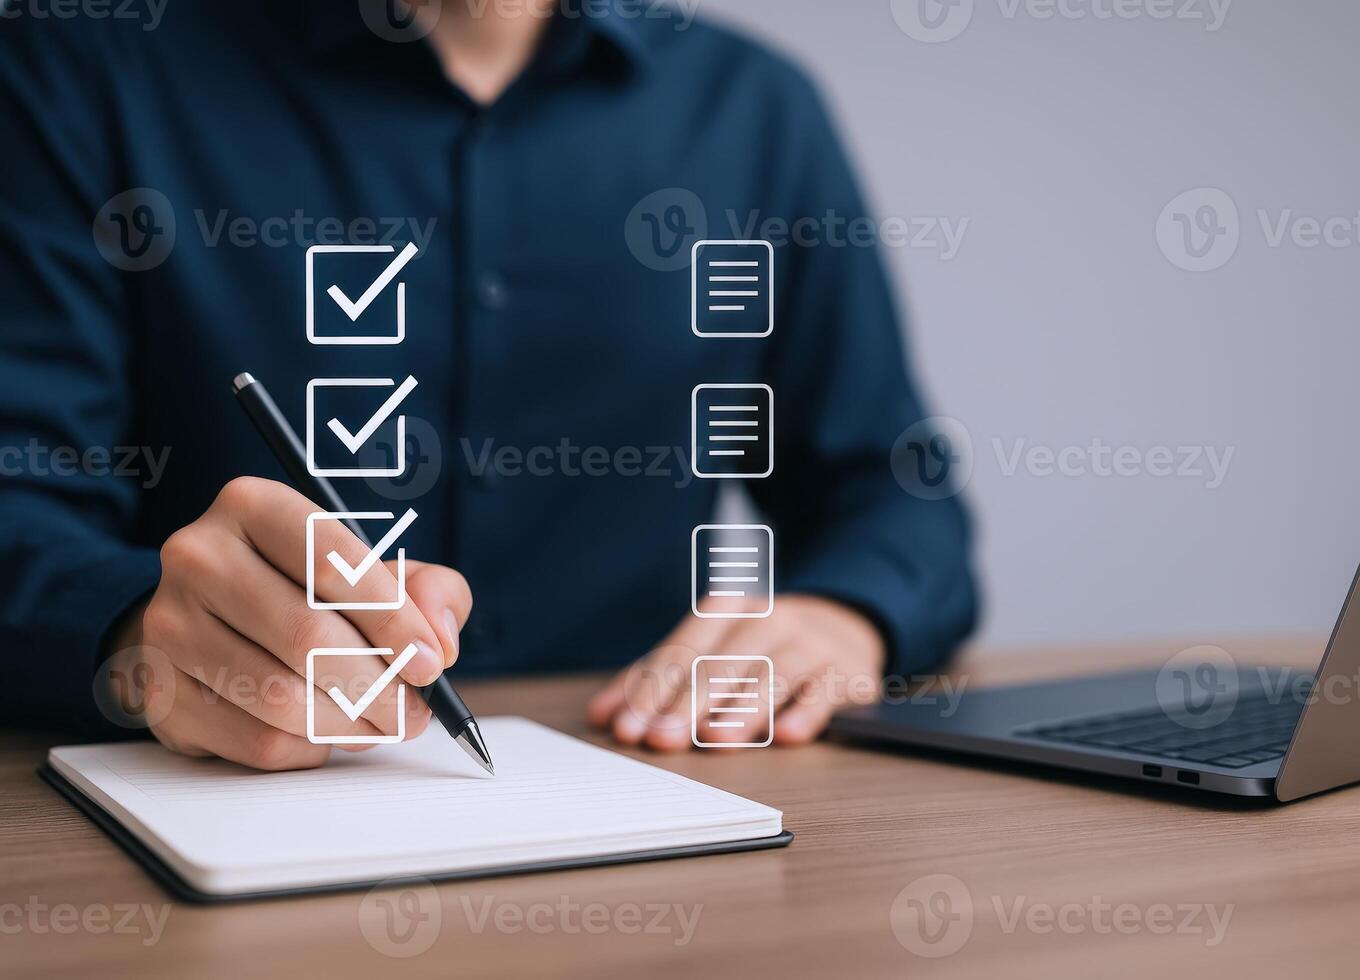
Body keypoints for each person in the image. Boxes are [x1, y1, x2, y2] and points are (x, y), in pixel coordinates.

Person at [0, 0, 977, 769]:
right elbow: (17, 502)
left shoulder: (757, 110)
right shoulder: (81, 65)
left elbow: (896, 495)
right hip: (217, 802)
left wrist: (844, 612)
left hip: (651, 792)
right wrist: (136, 634)